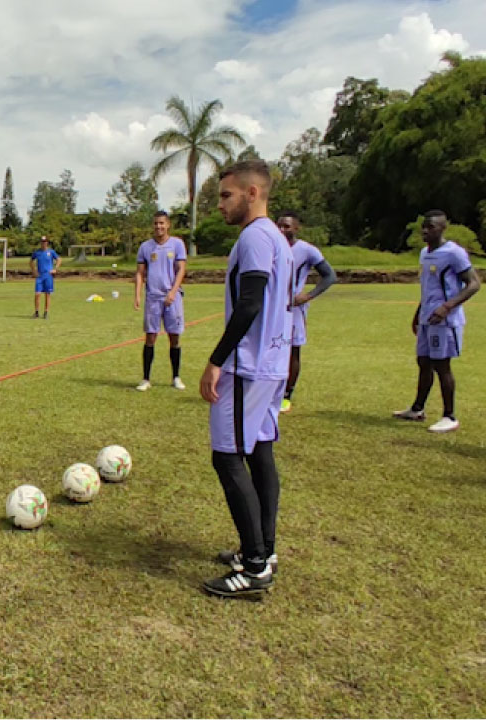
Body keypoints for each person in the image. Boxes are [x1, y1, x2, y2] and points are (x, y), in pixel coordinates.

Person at [197, 160, 291, 598]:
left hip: (248, 366)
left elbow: (250, 303)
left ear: (252, 193)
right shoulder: (277, 238)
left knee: (228, 457)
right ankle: (264, 550)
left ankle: (254, 568)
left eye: (226, 195)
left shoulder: (255, 236)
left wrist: (216, 360)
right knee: (260, 453)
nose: (220, 205)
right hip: (272, 364)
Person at [392, 211, 481, 433]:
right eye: (423, 226)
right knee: (423, 361)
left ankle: (449, 416)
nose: (425, 231)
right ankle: (417, 409)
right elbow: (429, 287)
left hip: (445, 321)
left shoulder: (454, 253)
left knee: (442, 365)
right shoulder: (424, 253)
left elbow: (474, 284)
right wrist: (418, 312)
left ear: (443, 228)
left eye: (430, 227)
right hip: (427, 318)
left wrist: (447, 307)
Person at [277, 212, 337, 412]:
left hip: (293, 309)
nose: (282, 230)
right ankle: (269, 391)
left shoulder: (307, 250)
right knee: (272, 348)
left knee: (293, 350)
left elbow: (329, 276)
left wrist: (308, 296)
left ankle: (286, 395)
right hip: (273, 307)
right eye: (279, 226)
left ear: (296, 228)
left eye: (287, 226)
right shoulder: (272, 246)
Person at [133, 211, 188, 391]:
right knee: (150, 336)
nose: (159, 227)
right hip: (153, 297)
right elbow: (140, 273)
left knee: (174, 336)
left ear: (168, 225)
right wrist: (138, 295)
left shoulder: (177, 244)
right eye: (156, 223)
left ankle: (176, 377)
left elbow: (181, 269)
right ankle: (146, 379)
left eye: (162, 223)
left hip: (172, 298)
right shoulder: (146, 247)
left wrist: (173, 291)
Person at [30, 236, 61, 319]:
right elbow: (31, 261)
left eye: (45, 242)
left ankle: (46, 312)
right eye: (42, 242)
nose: (43, 243)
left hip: (48, 276)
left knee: (47, 294)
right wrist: (34, 271)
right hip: (40, 276)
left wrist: (55, 269)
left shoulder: (51, 252)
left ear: (47, 243)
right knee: (37, 294)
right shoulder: (37, 252)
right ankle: (36, 312)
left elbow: (59, 259)